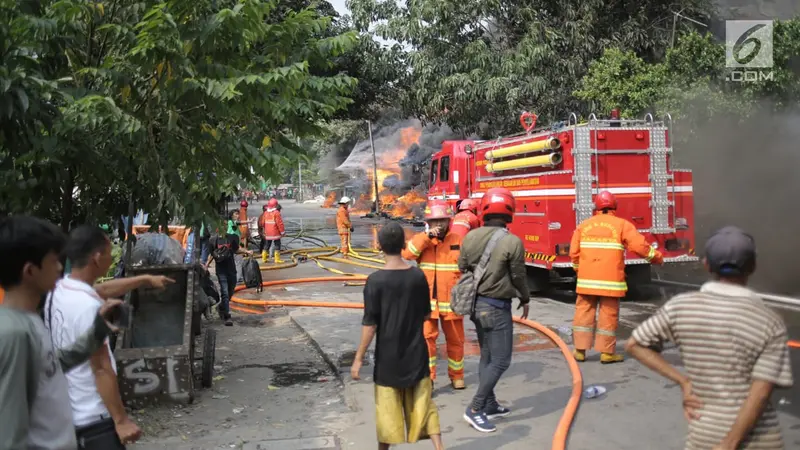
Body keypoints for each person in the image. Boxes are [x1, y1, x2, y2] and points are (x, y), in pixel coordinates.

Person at [626, 226, 793, 450]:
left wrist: (684, 381)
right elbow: (761, 392)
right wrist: (730, 443)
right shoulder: (769, 320)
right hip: (758, 439)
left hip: (705, 433)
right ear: (753, 266)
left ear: (706, 265)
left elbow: (635, 344)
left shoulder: (680, 307)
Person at [47, 225, 174, 449]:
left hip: (68, 413)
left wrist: (144, 279)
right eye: (107, 252)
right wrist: (121, 420)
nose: (110, 257)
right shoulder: (89, 307)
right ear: (96, 258)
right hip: (94, 417)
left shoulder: (60, 289)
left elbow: (102, 290)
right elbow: (101, 367)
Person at [0, 216, 121, 450]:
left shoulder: (29, 320)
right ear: (30, 271)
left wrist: (97, 331)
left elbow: (53, 365)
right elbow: (9, 430)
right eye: (54, 261)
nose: (59, 267)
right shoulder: (14, 334)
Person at [351, 222, 444, 450]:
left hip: (388, 357)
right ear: (404, 244)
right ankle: (439, 447)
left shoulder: (375, 281)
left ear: (379, 245)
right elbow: (425, 315)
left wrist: (358, 358)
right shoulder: (418, 277)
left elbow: (370, 324)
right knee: (424, 403)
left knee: (387, 408)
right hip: (416, 352)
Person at [458, 187, 530, 433]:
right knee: (501, 360)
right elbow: (519, 275)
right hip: (497, 307)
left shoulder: (470, 236)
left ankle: (490, 404)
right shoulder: (512, 241)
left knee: (487, 356)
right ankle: (476, 408)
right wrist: (526, 297)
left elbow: (462, 265)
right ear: (510, 210)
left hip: (476, 306)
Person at [569, 190, 663, 364]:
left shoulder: (584, 225)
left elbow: (574, 253)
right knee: (608, 315)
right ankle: (606, 353)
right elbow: (640, 246)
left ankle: (580, 351)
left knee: (583, 313)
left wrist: (579, 270)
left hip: (586, 280)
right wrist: (656, 257)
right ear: (614, 206)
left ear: (596, 206)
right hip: (610, 282)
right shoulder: (622, 225)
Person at [401, 200, 465, 390]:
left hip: (452, 301)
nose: (439, 225)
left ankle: (457, 376)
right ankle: (428, 378)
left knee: (456, 341)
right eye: (435, 221)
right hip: (427, 303)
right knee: (427, 340)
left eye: (443, 220)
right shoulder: (422, 240)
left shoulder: (458, 240)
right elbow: (407, 254)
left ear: (449, 220)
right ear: (429, 222)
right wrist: (427, 237)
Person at [205, 230, 252, 326]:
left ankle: (222, 307)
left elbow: (236, 249)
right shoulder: (213, 240)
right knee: (225, 292)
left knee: (230, 291)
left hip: (231, 269)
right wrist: (206, 266)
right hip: (221, 270)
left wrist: (246, 251)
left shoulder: (232, 237)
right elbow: (211, 255)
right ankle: (227, 316)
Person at [259, 198, 285, 263]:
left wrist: (264, 230)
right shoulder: (277, 213)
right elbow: (280, 223)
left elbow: (262, 223)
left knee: (267, 244)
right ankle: (277, 259)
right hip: (275, 232)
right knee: (277, 244)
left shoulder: (265, 213)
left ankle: (264, 258)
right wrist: (282, 232)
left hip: (268, 232)